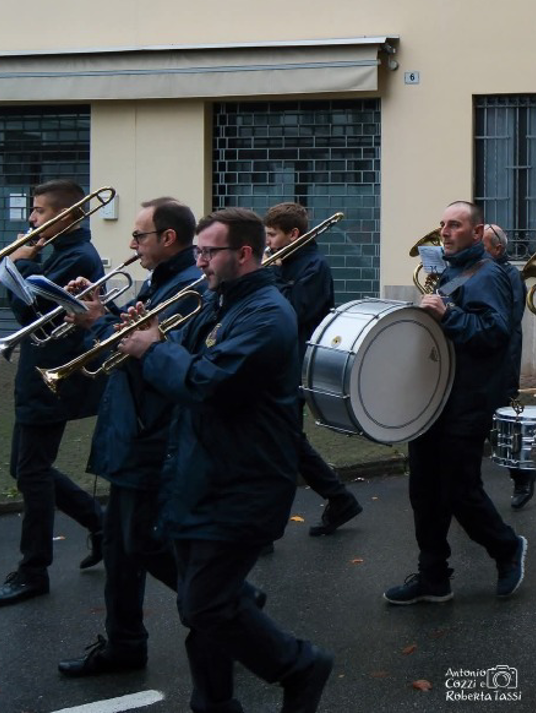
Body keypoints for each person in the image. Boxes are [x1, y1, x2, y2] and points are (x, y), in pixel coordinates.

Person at [117, 207, 333, 713]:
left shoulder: (266, 313)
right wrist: (126, 328)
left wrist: (153, 351)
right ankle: (213, 703)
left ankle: (299, 666)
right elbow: (186, 360)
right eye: (196, 252)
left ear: (244, 253)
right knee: (203, 609)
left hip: (244, 480)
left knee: (205, 603)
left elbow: (206, 382)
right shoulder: (218, 301)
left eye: (208, 253)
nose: (200, 262)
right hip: (202, 471)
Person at [56, 198, 204, 677]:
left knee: (141, 543)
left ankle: (232, 608)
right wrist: (98, 312)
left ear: (167, 238)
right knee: (122, 549)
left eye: (139, 235)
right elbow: (133, 336)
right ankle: (125, 644)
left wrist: (97, 324)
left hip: (150, 433)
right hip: (132, 429)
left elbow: (160, 362)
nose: (131, 243)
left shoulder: (187, 287)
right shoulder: (164, 279)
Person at [383, 201, 527, 605]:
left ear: (477, 233)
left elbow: (494, 333)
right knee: (424, 490)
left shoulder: (490, 275)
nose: (444, 231)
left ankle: (506, 548)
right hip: (433, 397)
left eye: (455, 225)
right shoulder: (451, 270)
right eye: (442, 224)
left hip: (469, 397)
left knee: (460, 490)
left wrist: (448, 314)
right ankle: (433, 576)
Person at [0, 180, 107, 609]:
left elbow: (28, 309)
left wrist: (20, 265)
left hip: (52, 379)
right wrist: (24, 265)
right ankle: (100, 524)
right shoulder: (59, 251)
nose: (31, 219)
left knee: (31, 471)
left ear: (67, 216)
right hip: (39, 376)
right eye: (32, 210)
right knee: (25, 467)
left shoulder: (77, 255)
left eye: (40, 211)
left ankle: (34, 571)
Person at [264, 202, 362, 537]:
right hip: (279, 360)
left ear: (293, 234)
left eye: (272, 235)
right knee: (285, 439)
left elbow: (292, 312)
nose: (268, 242)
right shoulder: (284, 261)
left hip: (298, 362)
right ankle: (340, 498)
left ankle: (268, 529)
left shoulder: (314, 266)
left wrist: (273, 275)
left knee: (282, 442)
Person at [481, 223, 533, 510]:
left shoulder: (510, 275)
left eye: (484, 244)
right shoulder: (479, 270)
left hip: (503, 363)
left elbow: (508, 322)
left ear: (498, 249)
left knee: (504, 426)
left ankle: (523, 476)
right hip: (481, 363)